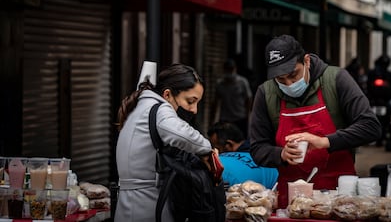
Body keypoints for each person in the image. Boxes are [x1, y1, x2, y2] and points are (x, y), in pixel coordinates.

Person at [249, 35, 381, 208]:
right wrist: (280, 154)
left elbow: (371, 127)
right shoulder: (266, 93)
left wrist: (325, 141)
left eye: (293, 75)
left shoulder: (337, 80)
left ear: (307, 61)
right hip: (291, 201)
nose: (289, 84)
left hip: (339, 196)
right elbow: (257, 147)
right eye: (281, 80)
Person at [115, 63, 213, 222]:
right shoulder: (159, 108)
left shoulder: (141, 107)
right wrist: (207, 150)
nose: (194, 110)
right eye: (190, 101)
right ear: (168, 94)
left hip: (131, 203)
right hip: (144, 206)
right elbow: (183, 135)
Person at [208, 122, 279, 189]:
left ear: (229, 144)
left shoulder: (222, 167)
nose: (215, 152)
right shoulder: (263, 155)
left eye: (217, 148)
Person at [211, 58, 253, 138]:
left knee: (240, 141)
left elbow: (248, 99)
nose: (229, 72)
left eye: (231, 69)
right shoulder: (220, 84)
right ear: (224, 70)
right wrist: (212, 120)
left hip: (240, 119)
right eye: (227, 69)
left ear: (235, 69)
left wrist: (248, 116)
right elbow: (215, 103)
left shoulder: (242, 82)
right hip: (225, 119)